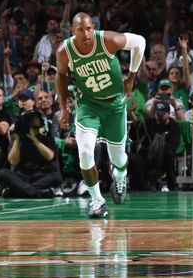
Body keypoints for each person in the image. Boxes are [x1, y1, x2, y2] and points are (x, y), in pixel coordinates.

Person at [55, 13, 145, 219]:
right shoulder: (64, 51)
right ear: (72, 31)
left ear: (93, 27)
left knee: (118, 159)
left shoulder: (107, 40)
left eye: (88, 28)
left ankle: (120, 175)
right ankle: (97, 201)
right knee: (85, 152)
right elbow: (60, 75)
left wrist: (131, 75)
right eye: (80, 30)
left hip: (115, 104)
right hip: (89, 103)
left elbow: (140, 42)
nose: (85, 33)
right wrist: (63, 108)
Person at [0, 109, 62, 197]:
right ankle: (37, 193)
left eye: (35, 118)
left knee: (57, 177)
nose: (32, 122)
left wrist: (34, 139)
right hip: (22, 177)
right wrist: (17, 138)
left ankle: (18, 191)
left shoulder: (47, 138)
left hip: (41, 176)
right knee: (2, 173)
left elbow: (50, 156)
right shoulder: (17, 140)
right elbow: (13, 161)